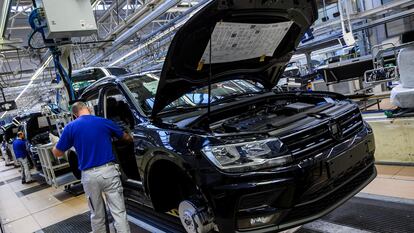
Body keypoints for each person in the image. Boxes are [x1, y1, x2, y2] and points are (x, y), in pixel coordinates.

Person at [52, 101, 133, 233]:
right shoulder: (103, 121)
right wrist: (131, 137)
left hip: (89, 177)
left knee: (97, 215)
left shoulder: (70, 127)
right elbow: (125, 137)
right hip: (109, 172)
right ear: (88, 109)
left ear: (74, 115)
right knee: (119, 212)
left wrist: (56, 144)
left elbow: (57, 153)